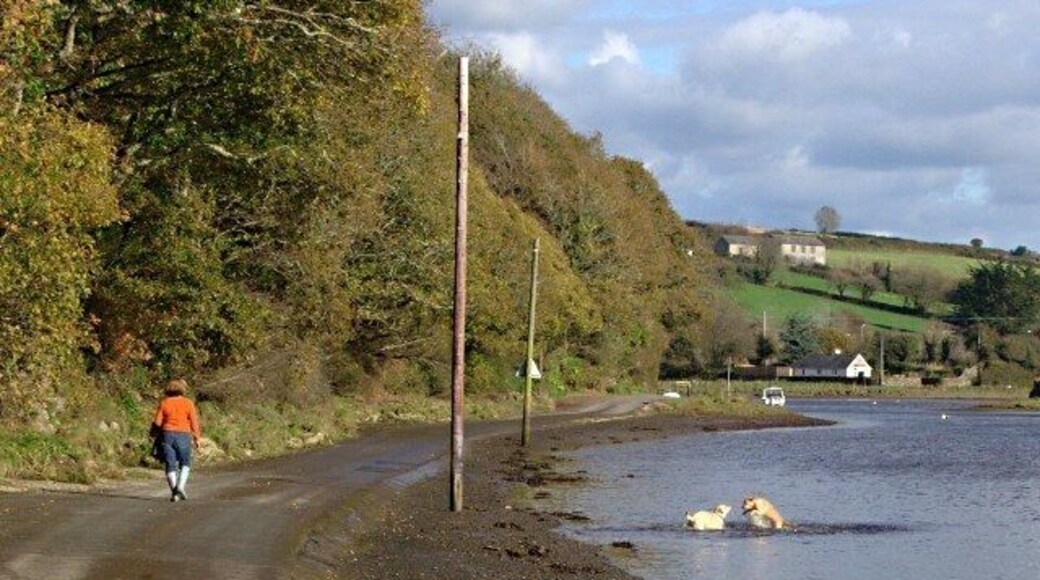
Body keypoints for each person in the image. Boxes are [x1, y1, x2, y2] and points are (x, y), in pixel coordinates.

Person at [152, 378, 201, 502]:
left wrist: (153, 433)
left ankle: (174, 492)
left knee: (170, 464)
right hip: (183, 435)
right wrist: (197, 438)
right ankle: (180, 486)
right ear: (182, 389)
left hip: (167, 435)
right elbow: (194, 422)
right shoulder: (188, 403)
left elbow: (157, 422)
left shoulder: (164, 403)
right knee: (185, 463)